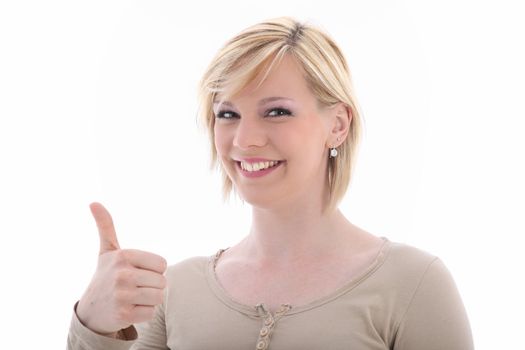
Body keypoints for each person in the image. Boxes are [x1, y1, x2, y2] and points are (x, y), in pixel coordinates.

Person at [67, 16, 474, 349]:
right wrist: (95, 325)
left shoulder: (413, 285)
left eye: (276, 112)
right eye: (227, 114)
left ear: (338, 124)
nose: (244, 140)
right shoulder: (175, 291)